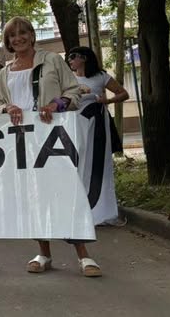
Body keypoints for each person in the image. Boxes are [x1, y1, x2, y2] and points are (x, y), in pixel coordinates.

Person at [0, 17, 97, 277]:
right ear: (8, 41)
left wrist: (57, 105)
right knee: (33, 196)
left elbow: (74, 91)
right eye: (13, 35)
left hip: (53, 137)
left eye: (23, 32)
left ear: (33, 35)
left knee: (65, 191)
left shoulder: (52, 61)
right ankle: (44, 252)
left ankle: (84, 255)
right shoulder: (4, 73)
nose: (18, 38)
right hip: (21, 141)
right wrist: (7, 108)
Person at [67, 46, 129, 226]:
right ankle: (79, 211)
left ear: (84, 58)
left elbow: (124, 93)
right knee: (77, 165)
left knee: (98, 164)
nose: (70, 60)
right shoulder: (68, 78)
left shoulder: (101, 76)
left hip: (97, 126)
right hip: (75, 125)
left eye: (73, 56)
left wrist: (107, 100)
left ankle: (102, 211)